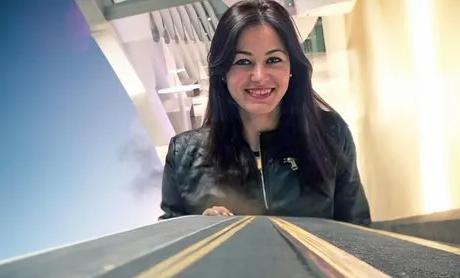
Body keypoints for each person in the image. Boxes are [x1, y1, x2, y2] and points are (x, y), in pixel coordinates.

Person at [159, 0, 371, 226]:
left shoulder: (330, 134)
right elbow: (169, 244)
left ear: (292, 68)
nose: (259, 76)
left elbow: (358, 234)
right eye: (243, 62)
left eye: (273, 60)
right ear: (223, 72)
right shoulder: (183, 157)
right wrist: (199, 230)